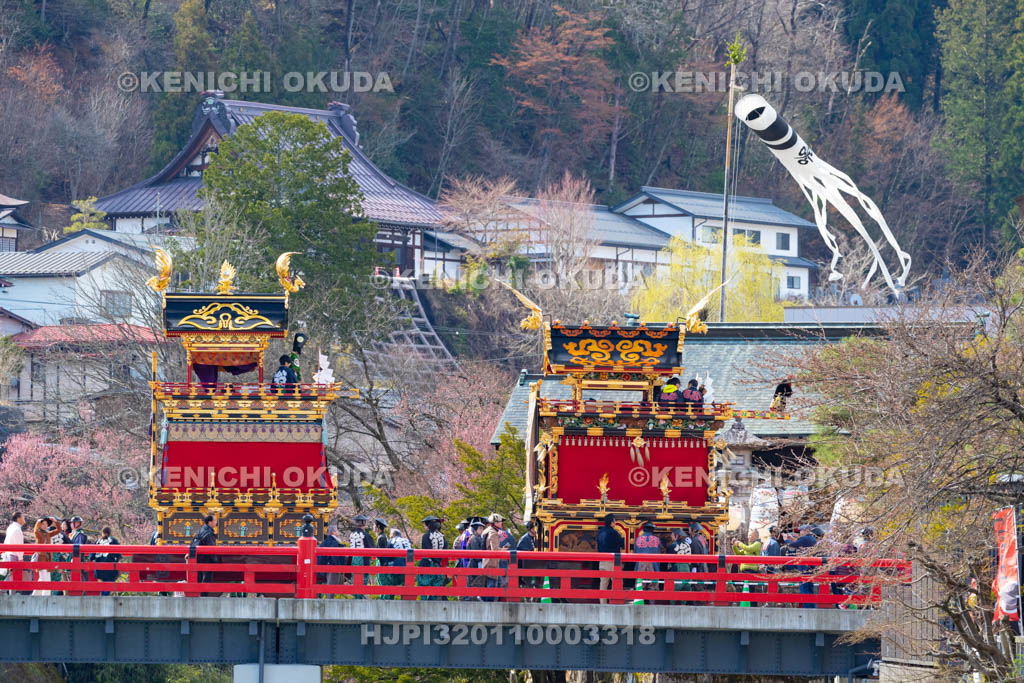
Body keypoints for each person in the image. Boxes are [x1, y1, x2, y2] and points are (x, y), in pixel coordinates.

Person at [787, 525, 824, 608]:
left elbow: (792, 544)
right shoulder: (812, 538)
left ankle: (807, 606)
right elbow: (799, 543)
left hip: (804, 566)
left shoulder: (805, 538)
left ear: (805, 530)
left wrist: (786, 539)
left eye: (801, 531)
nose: (800, 532)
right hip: (811, 566)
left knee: (804, 587)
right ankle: (811, 605)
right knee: (810, 587)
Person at [417, 515, 447, 600]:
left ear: (428, 526)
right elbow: (445, 551)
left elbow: (425, 551)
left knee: (424, 587)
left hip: (428, 565)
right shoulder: (443, 537)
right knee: (436, 588)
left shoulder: (426, 536)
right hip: (439, 565)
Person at [596, 514, 624, 604]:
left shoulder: (600, 532)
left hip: (602, 560)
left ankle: (602, 603)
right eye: (615, 521)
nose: (615, 523)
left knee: (603, 583)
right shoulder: (614, 533)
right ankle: (616, 602)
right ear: (611, 522)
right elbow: (622, 544)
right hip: (612, 561)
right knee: (616, 582)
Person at [733, 529, 764, 604]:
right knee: (745, 589)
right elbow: (738, 553)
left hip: (751, 570)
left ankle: (753, 605)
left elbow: (749, 549)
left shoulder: (757, 544)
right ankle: (746, 604)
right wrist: (734, 546)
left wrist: (739, 543)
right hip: (744, 570)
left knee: (751, 589)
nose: (749, 537)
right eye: (749, 535)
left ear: (756, 536)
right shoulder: (748, 545)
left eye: (750, 535)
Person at [31, 517, 59, 596]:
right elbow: (35, 529)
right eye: (43, 524)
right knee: (46, 580)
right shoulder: (38, 533)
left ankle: (34, 596)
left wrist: (56, 522)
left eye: (46, 524)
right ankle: (46, 597)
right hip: (41, 558)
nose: (45, 525)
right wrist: (39, 521)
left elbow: (58, 530)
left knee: (43, 579)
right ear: (39, 525)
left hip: (47, 558)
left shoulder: (48, 534)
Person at [348, 515, 374, 599]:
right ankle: (359, 595)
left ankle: (356, 595)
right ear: (364, 523)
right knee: (363, 577)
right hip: (363, 558)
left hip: (353, 558)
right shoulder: (365, 535)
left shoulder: (351, 534)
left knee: (355, 577)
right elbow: (371, 549)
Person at [482, 514, 506, 600]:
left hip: (486, 560)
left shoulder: (487, 530)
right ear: (495, 523)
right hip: (492, 562)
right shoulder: (493, 533)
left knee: (490, 583)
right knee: (492, 584)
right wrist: (503, 550)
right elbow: (495, 549)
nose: (501, 523)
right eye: (500, 522)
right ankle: (489, 603)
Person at [383, 528, 412, 599]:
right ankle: (405, 600)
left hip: (397, 566)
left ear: (393, 535)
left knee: (390, 583)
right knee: (405, 586)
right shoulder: (407, 541)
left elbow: (387, 558)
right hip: (409, 567)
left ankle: (390, 599)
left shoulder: (391, 541)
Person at [191, 515, 218, 588]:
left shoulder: (201, 529)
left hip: (198, 557)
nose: (216, 522)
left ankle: (198, 591)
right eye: (215, 520)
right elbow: (211, 548)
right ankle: (203, 593)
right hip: (206, 559)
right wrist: (215, 560)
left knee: (199, 577)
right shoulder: (209, 533)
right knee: (207, 578)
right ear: (210, 522)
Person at [634, 521, 662, 592]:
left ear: (644, 529)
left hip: (641, 564)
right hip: (653, 565)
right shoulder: (656, 540)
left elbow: (636, 552)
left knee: (640, 587)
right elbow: (659, 551)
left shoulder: (638, 539)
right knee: (653, 587)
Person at [93, 527, 121, 595]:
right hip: (110, 568)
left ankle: (103, 596)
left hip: (99, 568)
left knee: (105, 583)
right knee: (109, 583)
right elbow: (119, 554)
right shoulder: (113, 541)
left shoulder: (98, 541)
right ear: (110, 533)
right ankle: (104, 597)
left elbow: (92, 556)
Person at [3, 512, 26, 594]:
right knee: (13, 576)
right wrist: (20, 558)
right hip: (14, 555)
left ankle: (4, 593)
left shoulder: (11, 527)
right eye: (23, 517)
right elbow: (18, 545)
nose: (24, 519)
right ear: (18, 519)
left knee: (8, 576)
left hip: (8, 553)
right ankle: (11, 594)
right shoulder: (17, 529)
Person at [667, 528, 692, 600]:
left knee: (675, 587)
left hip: (677, 567)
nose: (671, 536)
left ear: (676, 535)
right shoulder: (687, 544)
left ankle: (673, 603)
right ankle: (684, 603)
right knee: (686, 588)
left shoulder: (673, 545)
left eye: (672, 535)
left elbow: (670, 560)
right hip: (687, 567)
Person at [318, 524, 343, 590]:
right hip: (331, 565)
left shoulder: (326, 541)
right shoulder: (333, 542)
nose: (338, 532)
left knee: (327, 585)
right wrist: (338, 566)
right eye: (336, 530)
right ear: (333, 532)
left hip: (324, 565)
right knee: (331, 586)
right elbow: (334, 555)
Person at [466, 519, 487, 597]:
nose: (482, 530)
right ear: (475, 530)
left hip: (477, 562)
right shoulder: (474, 538)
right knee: (474, 582)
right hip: (474, 563)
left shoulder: (478, 538)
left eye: (482, 528)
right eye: (480, 528)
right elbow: (476, 553)